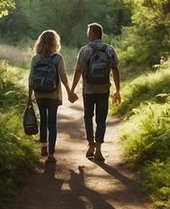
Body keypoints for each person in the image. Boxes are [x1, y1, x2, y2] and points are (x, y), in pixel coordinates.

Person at [69, 23, 121, 161]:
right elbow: (115, 70)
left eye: (88, 32)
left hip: (88, 90)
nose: (87, 34)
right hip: (104, 89)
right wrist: (117, 90)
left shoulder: (85, 50)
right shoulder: (109, 49)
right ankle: (99, 148)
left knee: (88, 117)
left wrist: (72, 90)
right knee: (101, 118)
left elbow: (78, 70)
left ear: (94, 34)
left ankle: (91, 145)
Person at [27, 30, 74, 163]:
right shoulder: (58, 58)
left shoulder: (35, 59)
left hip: (39, 94)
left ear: (40, 42)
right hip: (53, 94)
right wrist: (69, 92)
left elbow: (31, 78)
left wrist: (29, 97)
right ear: (55, 42)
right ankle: (51, 155)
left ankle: (43, 145)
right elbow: (63, 77)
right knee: (52, 123)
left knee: (43, 119)